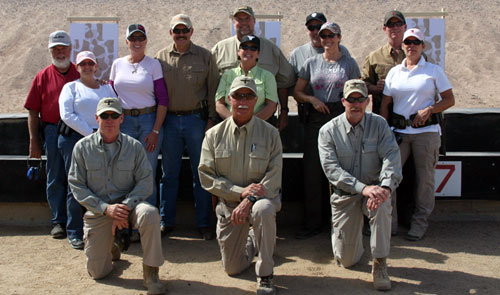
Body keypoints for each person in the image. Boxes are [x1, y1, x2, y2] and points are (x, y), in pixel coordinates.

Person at [68, 97, 165, 294]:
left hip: (130, 208)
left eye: (114, 116)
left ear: (122, 118)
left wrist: (125, 206)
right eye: (105, 116)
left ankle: (151, 273)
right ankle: (111, 246)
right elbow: (76, 185)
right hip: (99, 210)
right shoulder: (82, 148)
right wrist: (106, 208)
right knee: (98, 273)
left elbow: (146, 182)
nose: (109, 120)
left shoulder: (135, 147)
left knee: (150, 213)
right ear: (97, 118)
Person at [198, 76, 282, 295]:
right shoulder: (213, 135)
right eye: (238, 95)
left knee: (263, 210)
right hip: (229, 207)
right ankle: (256, 239)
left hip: (260, 201)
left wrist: (249, 199)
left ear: (256, 100)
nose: (243, 100)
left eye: (248, 96)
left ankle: (265, 274)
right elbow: (206, 176)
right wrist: (238, 192)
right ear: (229, 99)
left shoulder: (271, 134)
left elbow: (274, 177)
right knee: (232, 268)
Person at [318, 79, 402, 291]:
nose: (356, 104)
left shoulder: (380, 124)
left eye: (360, 99)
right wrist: (362, 188)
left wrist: (384, 187)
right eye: (351, 99)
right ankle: (346, 237)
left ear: (367, 101)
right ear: (343, 101)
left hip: (374, 192)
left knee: (383, 204)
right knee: (347, 261)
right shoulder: (328, 131)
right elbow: (332, 170)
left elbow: (392, 157)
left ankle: (380, 263)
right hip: (345, 195)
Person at [381, 28, 455, 241]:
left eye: (416, 42)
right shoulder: (395, 72)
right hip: (399, 133)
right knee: (390, 176)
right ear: (402, 46)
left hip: (427, 133)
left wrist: (430, 110)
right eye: (407, 42)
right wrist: (386, 128)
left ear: (423, 46)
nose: (411, 46)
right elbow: (386, 102)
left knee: (425, 181)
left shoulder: (433, 70)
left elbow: (449, 100)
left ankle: (419, 223)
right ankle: (389, 223)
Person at [293, 22, 360, 239]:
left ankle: (341, 222)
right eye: (323, 36)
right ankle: (312, 223)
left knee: (341, 169)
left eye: (331, 35)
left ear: (339, 37)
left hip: (341, 118)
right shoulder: (311, 63)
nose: (327, 39)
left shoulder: (349, 63)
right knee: (313, 170)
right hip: (316, 118)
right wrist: (312, 99)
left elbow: (357, 92)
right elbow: (298, 91)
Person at [154, 14, 219, 240]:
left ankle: (203, 224)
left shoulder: (205, 57)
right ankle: (166, 221)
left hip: (196, 121)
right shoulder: (160, 58)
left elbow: (213, 91)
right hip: (169, 122)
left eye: (185, 30)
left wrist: (211, 120)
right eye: (176, 31)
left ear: (192, 31)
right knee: (168, 174)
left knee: (200, 174)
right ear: (170, 33)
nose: (181, 35)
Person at [24, 30, 80, 239]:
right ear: (50, 51)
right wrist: (33, 142)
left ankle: (77, 220)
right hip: (51, 131)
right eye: (55, 49)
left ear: (70, 49)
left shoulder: (80, 73)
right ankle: (58, 221)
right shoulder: (42, 76)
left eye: (63, 48)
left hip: (76, 132)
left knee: (76, 177)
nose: (59, 52)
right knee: (55, 177)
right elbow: (32, 111)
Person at [58, 51, 117, 249]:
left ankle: (103, 230)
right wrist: (91, 134)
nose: (87, 67)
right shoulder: (70, 87)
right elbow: (67, 114)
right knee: (76, 184)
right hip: (76, 139)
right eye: (83, 64)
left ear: (96, 66)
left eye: (91, 63)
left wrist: (101, 134)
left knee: (103, 184)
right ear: (77, 67)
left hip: (104, 139)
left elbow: (116, 108)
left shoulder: (105, 88)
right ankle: (74, 231)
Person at [110, 24, 168, 206]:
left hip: (148, 121)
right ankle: (125, 221)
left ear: (146, 41)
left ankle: (146, 220)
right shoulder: (117, 64)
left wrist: (155, 131)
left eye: (140, 38)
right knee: (124, 171)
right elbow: (111, 94)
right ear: (127, 41)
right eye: (133, 38)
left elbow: (163, 99)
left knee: (147, 171)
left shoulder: (153, 64)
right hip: (124, 121)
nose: (137, 42)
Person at [211, 5, 295, 131]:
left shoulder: (271, 48)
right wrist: (225, 121)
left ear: (254, 21)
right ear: (234, 22)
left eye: (247, 19)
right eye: (239, 19)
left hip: (263, 123)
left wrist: (283, 111)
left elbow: (283, 82)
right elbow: (211, 86)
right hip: (226, 123)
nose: (244, 23)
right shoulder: (219, 49)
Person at [215, 35, 278, 122]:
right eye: (245, 47)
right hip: (230, 125)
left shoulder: (267, 76)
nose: (248, 51)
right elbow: (219, 104)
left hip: (259, 126)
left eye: (253, 48)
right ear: (238, 52)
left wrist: (251, 124)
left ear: (258, 54)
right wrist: (233, 123)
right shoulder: (227, 75)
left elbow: (271, 106)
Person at [362, 10, 407, 115]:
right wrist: (376, 88)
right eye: (391, 25)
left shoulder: (415, 56)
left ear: (405, 27)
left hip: (408, 116)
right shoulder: (374, 57)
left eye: (398, 24)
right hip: (382, 115)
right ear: (384, 28)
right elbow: (364, 85)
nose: (395, 27)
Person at [289, 12, 351, 79]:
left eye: (319, 27)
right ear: (307, 30)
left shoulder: (341, 51)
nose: (316, 32)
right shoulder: (297, 54)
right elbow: (289, 82)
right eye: (311, 28)